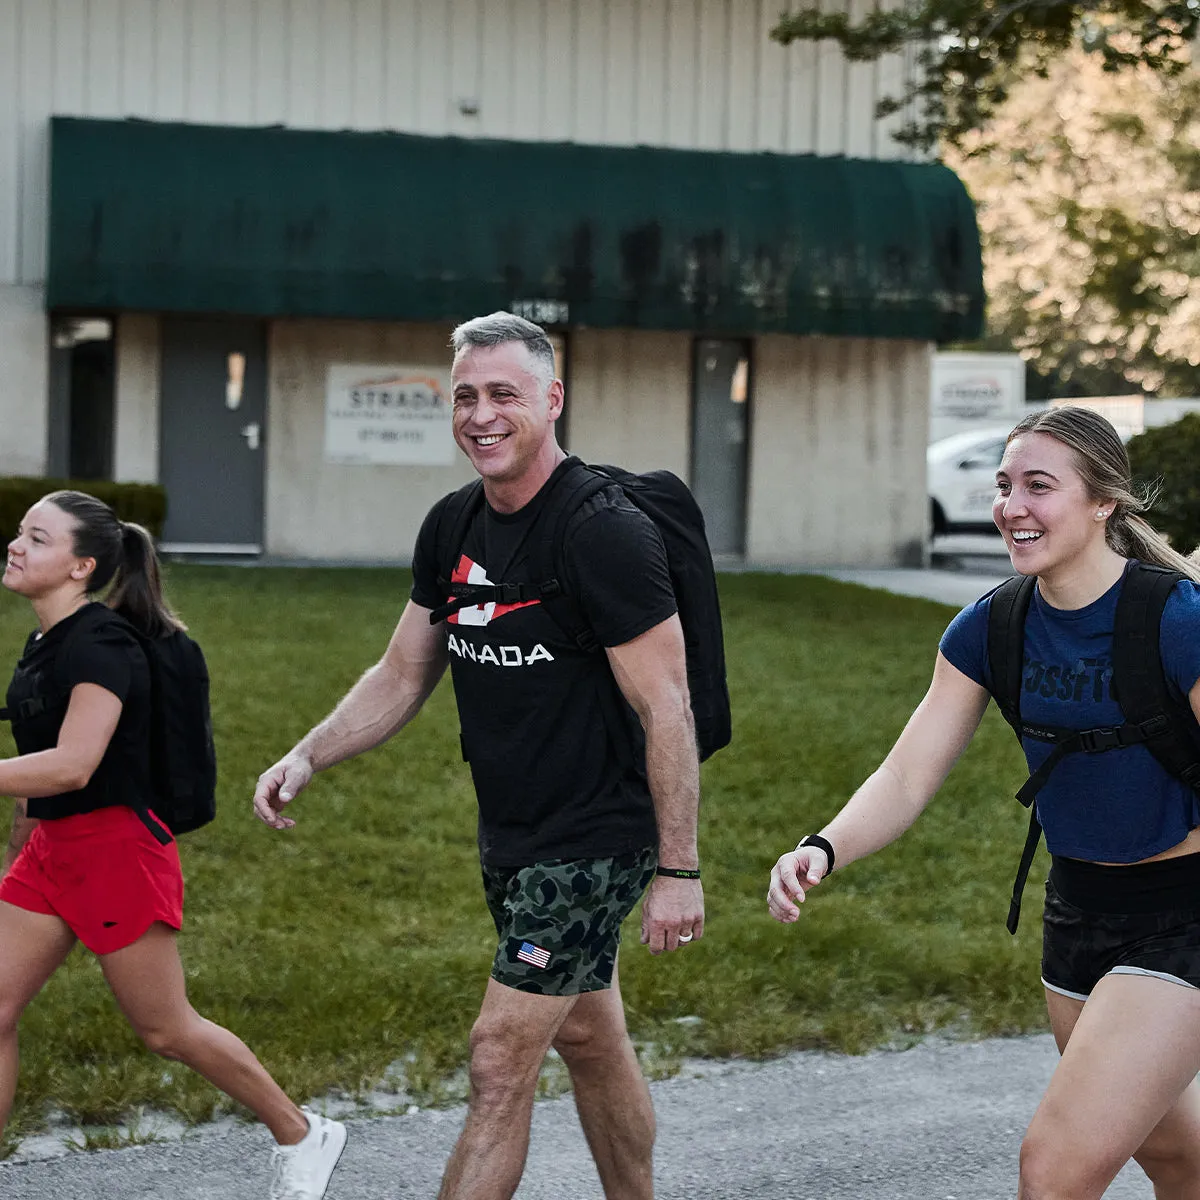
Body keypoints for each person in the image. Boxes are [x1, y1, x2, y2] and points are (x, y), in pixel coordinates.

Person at [254, 311, 702, 1200]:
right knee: (587, 1035)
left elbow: (669, 705)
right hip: (514, 832)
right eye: (465, 395)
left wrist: (678, 867)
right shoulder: (452, 525)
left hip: (598, 835)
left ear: (551, 399)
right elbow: (401, 671)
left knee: (499, 1056)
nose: (481, 414)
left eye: (504, 393)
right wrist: (309, 753)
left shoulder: (599, 531)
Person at [768, 406, 1200, 1199]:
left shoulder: (1177, 620)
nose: (1012, 506)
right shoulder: (991, 626)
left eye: (1040, 486)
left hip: (1184, 916)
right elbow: (906, 776)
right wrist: (821, 846)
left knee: (1054, 1166)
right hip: (1078, 911)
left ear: (1104, 501)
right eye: (1005, 486)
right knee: (1176, 1159)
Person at [0, 490, 346, 1200]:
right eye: (20, 532)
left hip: (115, 853)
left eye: (37, 538)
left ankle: (303, 1131)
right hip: (55, 852)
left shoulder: (101, 646)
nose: (15, 545)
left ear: (80, 566)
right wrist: (19, 853)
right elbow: (42, 775)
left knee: (166, 1030)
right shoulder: (45, 641)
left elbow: (75, 764)